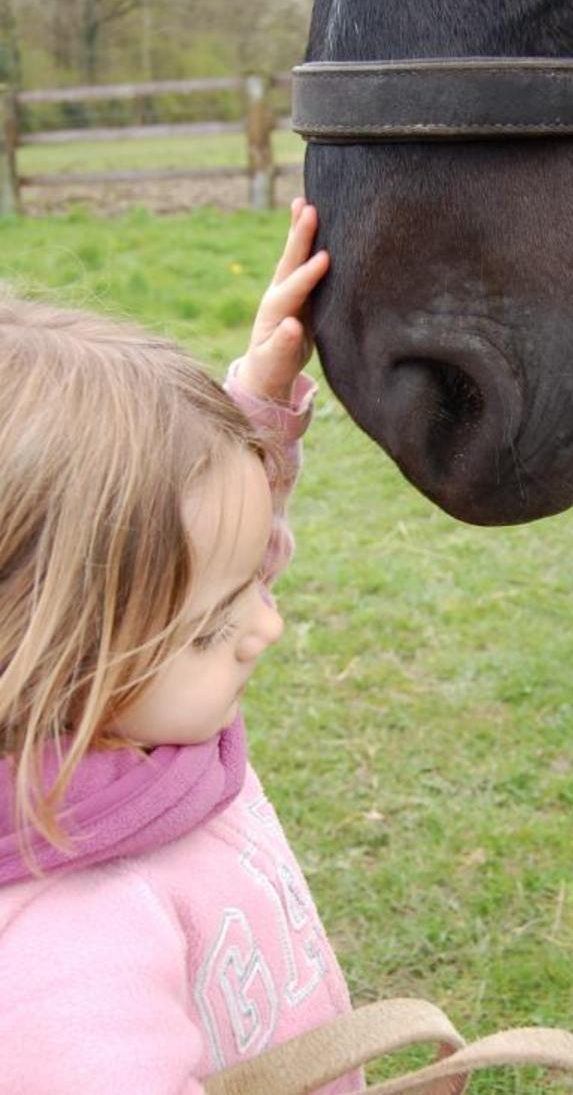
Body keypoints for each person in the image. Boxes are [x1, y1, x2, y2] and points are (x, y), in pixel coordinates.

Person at [0, 200, 361, 1093]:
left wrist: (257, 411)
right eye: (213, 623)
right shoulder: (62, 959)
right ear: (49, 657)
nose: (266, 623)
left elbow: (195, 555)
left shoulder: (137, 726)